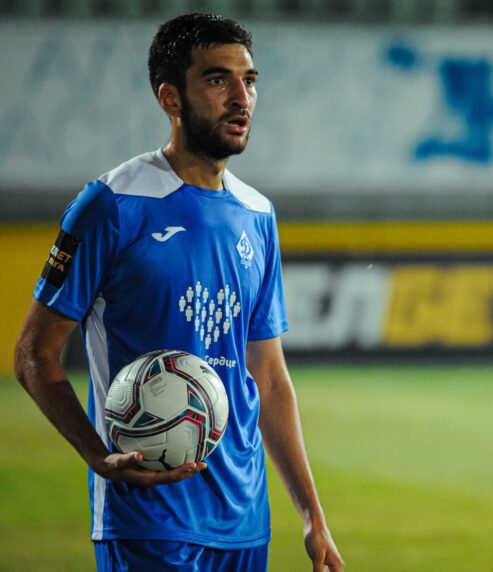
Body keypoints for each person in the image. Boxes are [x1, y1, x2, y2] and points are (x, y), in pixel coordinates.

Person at [13, 12, 344, 572]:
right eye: (217, 80)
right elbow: (33, 355)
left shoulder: (258, 213)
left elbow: (267, 376)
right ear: (170, 98)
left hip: (245, 521)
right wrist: (99, 457)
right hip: (147, 517)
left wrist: (312, 515)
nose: (241, 98)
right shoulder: (111, 205)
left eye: (249, 80)